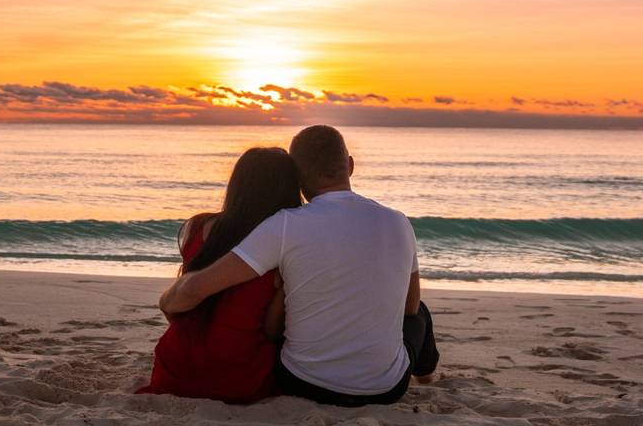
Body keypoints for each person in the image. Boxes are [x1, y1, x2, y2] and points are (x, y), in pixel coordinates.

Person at [160, 125, 439, 407]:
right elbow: (409, 308)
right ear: (350, 166)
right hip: (384, 390)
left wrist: (168, 302)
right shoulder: (399, 222)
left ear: (299, 177)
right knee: (421, 313)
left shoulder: (284, 225)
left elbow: (196, 287)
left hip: (303, 384)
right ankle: (427, 378)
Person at [138, 147, 301, 403]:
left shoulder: (198, 227)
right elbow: (271, 330)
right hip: (238, 380)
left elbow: (181, 303)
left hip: (175, 369)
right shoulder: (282, 246)